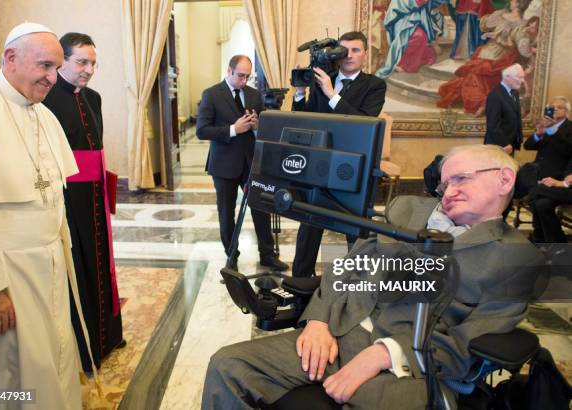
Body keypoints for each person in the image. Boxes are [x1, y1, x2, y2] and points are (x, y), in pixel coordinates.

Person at [202, 144, 544, 409]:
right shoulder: (407, 210)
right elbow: (348, 265)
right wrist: (319, 321)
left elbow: (467, 345)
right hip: (341, 332)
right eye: (444, 184)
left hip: (412, 366)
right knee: (227, 365)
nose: (448, 190)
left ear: (504, 179)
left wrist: (385, 354)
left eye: (461, 178)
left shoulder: (516, 258)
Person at [0, 23, 87, 409]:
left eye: (56, 67)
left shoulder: (41, 113)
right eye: (45, 66)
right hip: (7, 274)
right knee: (5, 377)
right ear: (10, 59)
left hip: (45, 266)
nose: (53, 77)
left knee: (52, 362)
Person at [43, 32, 123, 372]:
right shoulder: (45, 99)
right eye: (82, 62)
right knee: (78, 267)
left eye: (93, 63)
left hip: (94, 196)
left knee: (103, 263)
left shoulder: (94, 97)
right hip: (68, 200)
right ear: (63, 60)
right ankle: (86, 346)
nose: (89, 70)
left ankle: (108, 337)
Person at [291, 31, 386, 278]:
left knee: (354, 229)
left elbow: (364, 123)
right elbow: (306, 121)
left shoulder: (375, 85)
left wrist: (332, 95)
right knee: (310, 227)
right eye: (345, 50)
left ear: (365, 54)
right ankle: (300, 281)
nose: (349, 55)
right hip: (319, 165)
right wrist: (300, 94)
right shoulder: (322, 79)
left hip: (353, 168)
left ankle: (357, 283)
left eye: (356, 50)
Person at [196, 55, 287, 271]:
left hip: (251, 162)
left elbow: (265, 129)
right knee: (226, 213)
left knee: (261, 208)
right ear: (229, 71)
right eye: (240, 76)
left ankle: (267, 255)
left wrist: (257, 126)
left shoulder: (254, 95)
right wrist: (232, 130)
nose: (244, 81)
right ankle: (231, 257)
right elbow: (202, 130)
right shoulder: (211, 94)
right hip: (224, 164)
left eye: (247, 76)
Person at [437, 1, 537, 115]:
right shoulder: (502, 14)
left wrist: (532, 50)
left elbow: (523, 48)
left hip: (501, 56)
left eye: (513, 0)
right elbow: (484, 26)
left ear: (519, 4)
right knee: (474, 74)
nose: (510, 1)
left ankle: (482, 103)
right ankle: (481, 102)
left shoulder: (522, 25)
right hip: (488, 51)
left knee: (476, 76)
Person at [524, 96, 572, 243]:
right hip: (541, 175)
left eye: (559, 107)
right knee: (539, 204)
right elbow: (528, 146)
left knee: (538, 200)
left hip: (558, 179)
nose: (555, 109)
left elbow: (567, 148)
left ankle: (547, 240)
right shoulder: (546, 126)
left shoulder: (569, 128)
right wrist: (539, 133)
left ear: (567, 111)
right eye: (552, 107)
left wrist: (552, 131)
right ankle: (544, 239)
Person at [374, 0, 448, 78]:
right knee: (417, 36)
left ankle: (408, 63)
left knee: (421, 36)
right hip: (401, 21)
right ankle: (403, 63)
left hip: (414, 21)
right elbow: (403, 6)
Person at [483, 63, 525, 155]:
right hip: (498, 146)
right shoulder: (495, 95)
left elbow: (515, 118)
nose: (522, 81)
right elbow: (493, 125)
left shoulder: (514, 93)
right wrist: (504, 144)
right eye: (520, 77)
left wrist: (518, 140)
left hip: (510, 144)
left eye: (523, 77)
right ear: (507, 77)